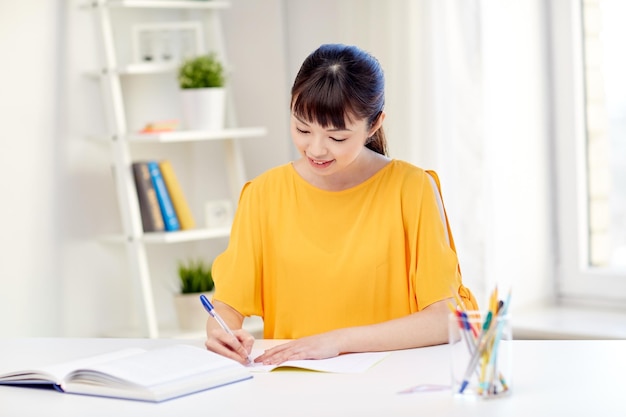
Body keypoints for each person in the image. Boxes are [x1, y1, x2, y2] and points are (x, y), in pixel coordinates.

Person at [204, 43, 478, 365]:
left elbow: (445, 318)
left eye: (337, 138)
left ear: (374, 125)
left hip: (392, 379)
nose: (316, 149)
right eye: (302, 129)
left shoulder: (412, 188)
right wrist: (220, 331)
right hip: (293, 383)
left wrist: (338, 341)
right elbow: (228, 305)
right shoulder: (263, 194)